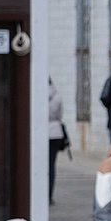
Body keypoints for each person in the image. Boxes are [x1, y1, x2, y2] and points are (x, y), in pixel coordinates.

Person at [44, 77, 70, 205]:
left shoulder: (36, 94)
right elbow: (60, 115)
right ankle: (49, 195)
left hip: (41, 133)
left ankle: (41, 193)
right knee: (51, 166)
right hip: (55, 133)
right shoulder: (57, 96)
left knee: (40, 166)